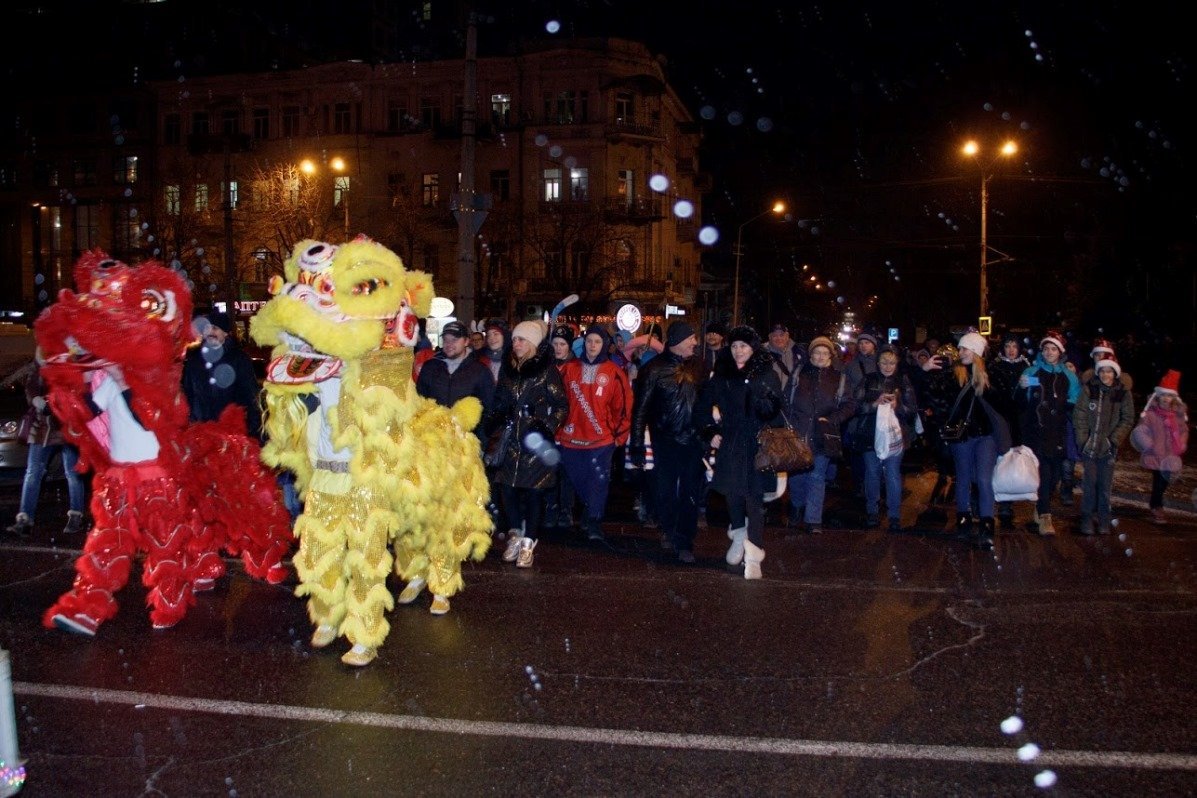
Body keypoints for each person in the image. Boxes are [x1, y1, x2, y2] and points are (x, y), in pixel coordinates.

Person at [694, 325, 782, 578]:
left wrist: (763, 400)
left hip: (757, 443)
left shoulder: (766, 373)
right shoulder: (722, 374)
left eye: (743, 345)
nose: (738, 351)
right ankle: (739, 534)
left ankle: (754, 554)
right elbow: (701, 406)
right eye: (734, 346)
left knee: (754, 499)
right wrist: (710, 432)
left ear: (753, 348)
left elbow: (775, 411)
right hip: (731, 441)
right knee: (732, 494)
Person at [486, 320, 568, 568]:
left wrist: (547, 426)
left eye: (521, 340)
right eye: (515, 339)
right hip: (510, 439)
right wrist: (495, 420)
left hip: (535, 440)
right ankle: (514, 535)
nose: (516, 344)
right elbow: (499, 400)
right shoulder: (508, 368)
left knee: (534, 492)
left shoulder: (546, 370)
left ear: (532, 343)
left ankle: (528, 543)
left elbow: (562, 405)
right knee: (507, 489)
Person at [629, 321, 706, 562]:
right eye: (690, 338)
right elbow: (640, 410)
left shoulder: (699, 366)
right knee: (665, 491)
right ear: (677, 341)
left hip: (693, 441)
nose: (695, 342)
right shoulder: (653, 369)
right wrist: (637, 444)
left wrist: (709, 431)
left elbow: (707, 402)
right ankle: (669, 529)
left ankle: (684, 540)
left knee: (690, 493)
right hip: (665, 441)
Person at [925, 332, 1010, 550]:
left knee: (983, 479)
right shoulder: (952, 374)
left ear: (976, 352)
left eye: (965, 349)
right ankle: (963, 520)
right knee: (963, 477)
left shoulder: (992, 374)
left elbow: (1005, 405)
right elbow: (933, 397)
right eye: (960, 348)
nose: (960, 352)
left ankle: (987, 525)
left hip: (985, 435)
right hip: (961, 435)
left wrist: (987, 386)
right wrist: (925, 372)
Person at [556, 325, 633, 543]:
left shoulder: (614, 372)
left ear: (604, 345)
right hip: (571, 438)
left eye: (597, 342)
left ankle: (593, 521)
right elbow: (558, 402)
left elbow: (624, 406)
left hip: (601, 441)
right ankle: (569, 512)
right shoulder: (569, 369)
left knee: (598, 483)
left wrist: (619, 435)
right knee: (573, 479)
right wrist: (558, 430)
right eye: (589, 341)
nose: (592, 345)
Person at [3, 358, 87, 538]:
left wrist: (60, 403)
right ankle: (25, 520)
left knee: (72, 473)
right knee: (33, 472)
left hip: (67, 425)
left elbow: (78, 387)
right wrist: (36, 400)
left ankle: (76, 515)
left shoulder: (70, 357)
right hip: (43, 427)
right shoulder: (42, 359)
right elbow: (32, 384)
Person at [784, 335, 856, 535]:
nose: (821, 356)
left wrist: (833, 419)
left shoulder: (839, 378)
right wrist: (790, 423)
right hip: (798, 433)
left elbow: (850, 405)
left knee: (817, 476)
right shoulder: (798, 373)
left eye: (825, 353)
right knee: (797, 476)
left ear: (831, 356)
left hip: (823, 434)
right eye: (817, 352)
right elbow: (786, 399)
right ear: (811, 355)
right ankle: (797, 506)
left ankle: (813, 520)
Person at [1017, 330, 1080, 535]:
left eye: (1053, 349)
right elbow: (1019, 401)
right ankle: (1045, 516)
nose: (1049, 352)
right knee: (1044, 474)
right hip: (1036, 432)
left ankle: (1040, 506)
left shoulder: (1068, 375)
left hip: (1059, 432)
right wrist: (1021, 387)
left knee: (1055, 477)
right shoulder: (1031, 371)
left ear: (1060, 352)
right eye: (1046, 349)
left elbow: (1074, 402)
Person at [852, 347, 918, 531]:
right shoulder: (868, 379)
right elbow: (855, 406)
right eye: (884, 362)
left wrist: (897, 406)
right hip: (870, 433)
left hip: (894, 434)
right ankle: (872, 511)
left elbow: (912, 409)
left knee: (892, 473)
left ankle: (894, 515)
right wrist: (875, 403)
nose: (888, 366)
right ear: (878, 363)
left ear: (897, 364)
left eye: (892, 362)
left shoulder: (902, 381)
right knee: (872, 472)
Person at [1073, 354, 1135, 535]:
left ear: (1115, 373)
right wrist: (1083, 440)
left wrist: (1113, 440)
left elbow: (1127, 419)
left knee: (1105, 486)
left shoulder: (1122, 393)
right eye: (1102, 371)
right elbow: (1080, 414)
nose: (1105, 375)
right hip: (1090, 447)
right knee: (1089, 484)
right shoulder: (1089, 390)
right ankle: (1086, 518)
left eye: (1109, 371)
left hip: (1108, 449)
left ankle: (1103, 518)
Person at [182, 311, 262, 438]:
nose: (210, 332)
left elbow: (251, 396)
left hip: (232, 433)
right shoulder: (194, 361)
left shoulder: (239, 359)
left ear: (225, 333)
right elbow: (187, 395)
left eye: (215, 328)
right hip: (201, 433)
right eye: (207, 328)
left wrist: (252, 430)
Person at [1133, 370, 1188, 525]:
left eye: (1169, 395)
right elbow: (1141, 430)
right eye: (1163, 395)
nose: (1166, 398)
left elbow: (1183, 430)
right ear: (1158, 395)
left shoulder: (1177, 414)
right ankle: (1157, 506)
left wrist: (1181, 444)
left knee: (1165, 481)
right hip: (1156, 453)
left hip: (1171, 454)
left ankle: (1155, 502)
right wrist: (1150, 445)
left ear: (1174, 398)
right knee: (1158, 481)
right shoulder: (1151, 413)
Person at [988, 333, 1029, 528]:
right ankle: (993, 499)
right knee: (997, 459)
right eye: (1007, 346)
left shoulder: (1026, 367)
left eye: (1014, 346)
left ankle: (1006, 504)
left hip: (1018, 420)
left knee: (1011, 461)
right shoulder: (995, 367)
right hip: (1000, 419)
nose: (1011, 350)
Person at [765, 323, 805, 389]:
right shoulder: (762, 353)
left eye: (782, 335)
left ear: (787, 336)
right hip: (771, 394)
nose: (779, 338)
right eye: (774, 336)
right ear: (770, 337)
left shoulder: (798, 352)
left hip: (793, 394)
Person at [476, 318, 510, 384]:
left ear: (504, 336)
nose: (491, 338)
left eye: (496, 334)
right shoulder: (479, 360)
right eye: (489, 335)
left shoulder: (513, 362)